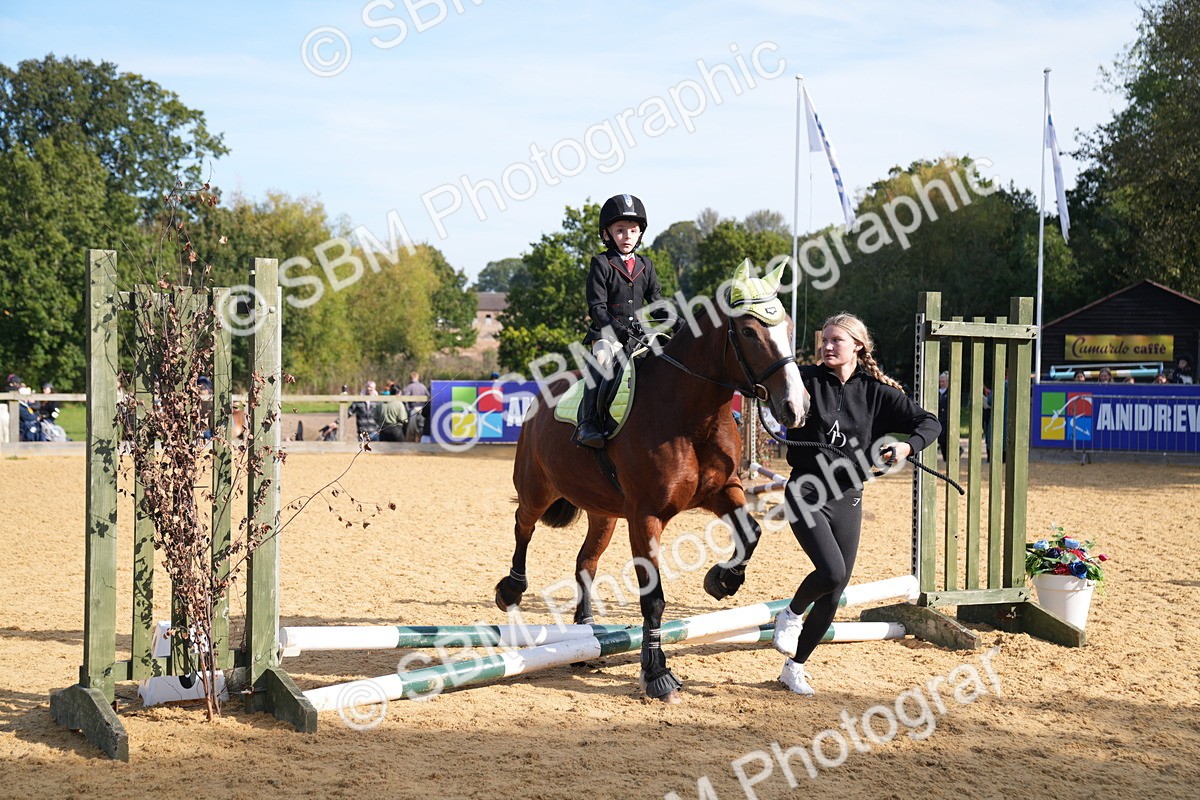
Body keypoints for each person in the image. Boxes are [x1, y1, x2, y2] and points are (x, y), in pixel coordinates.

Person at [773, 313, 941, 695]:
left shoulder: (876, 391)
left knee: (834, 591)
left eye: (836, 341)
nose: (827, 346)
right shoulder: (806, 379)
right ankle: (791, 613)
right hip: (806, 491)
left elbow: (929, 422)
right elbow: (767, 388)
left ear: (858, 347)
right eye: (824, 340)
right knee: (831, 572)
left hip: (849, 496)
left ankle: (794, 667)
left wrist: (905, 446)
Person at [574, 193, 665, 448]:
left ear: (640, 235)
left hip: (639, 336)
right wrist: (618, 331)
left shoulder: (646, 265)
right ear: (607, 234)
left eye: (633, 231)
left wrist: (679, 322)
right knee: (603, 360)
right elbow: (597, 309)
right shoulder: (601, 263)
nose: (627, 236)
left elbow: (657, 304)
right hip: (607, 336)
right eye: (621, 230)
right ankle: (589, 422)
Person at [402, 371, 429, 442]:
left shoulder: (409, 387)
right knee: (421, 430)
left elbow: (405, 399)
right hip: (422, 410)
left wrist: (408, 409)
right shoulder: (423, 387)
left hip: (413, 411)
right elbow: (428, 398)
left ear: (410, 378)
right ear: (418, 377)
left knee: (411, 433)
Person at [936, 371, 951, 461]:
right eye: (940, 381)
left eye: (943, 381)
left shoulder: (949, 392)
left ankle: (947, 457)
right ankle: (945, 456)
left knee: (945, 437)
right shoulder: (937, 392)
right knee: (941, 438)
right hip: (939, 418)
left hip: (947, 418)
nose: (941, 383)